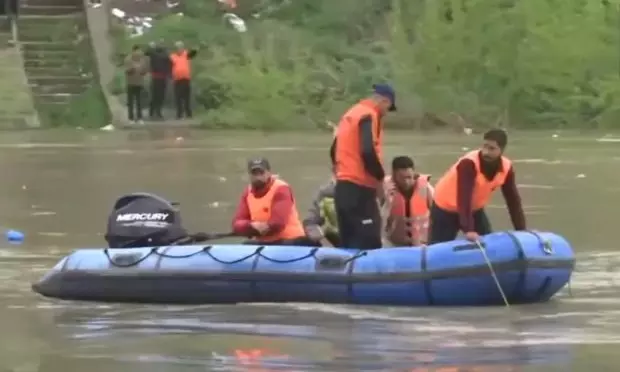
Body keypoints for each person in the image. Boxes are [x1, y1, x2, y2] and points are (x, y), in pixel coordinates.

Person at [429, 129, 527, 244]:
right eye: (485, 146)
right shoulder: (469, 164)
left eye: (492, 149)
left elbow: (513, 201)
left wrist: (521, 230)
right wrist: (469, 230)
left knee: (489, 244)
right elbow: (464, 197)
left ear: (502, 150)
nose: (486, 152)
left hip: (474, 210)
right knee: (437, 248)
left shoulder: (506, 167)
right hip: (445, 209)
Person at [330, 83, 396, 249]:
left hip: (343, 188)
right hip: (360, 190)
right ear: (385, 101)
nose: (386, 113)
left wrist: (338, 171)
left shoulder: (350, 114)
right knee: (370, 241)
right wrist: (380, 179)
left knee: (348, 241)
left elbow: (333, 149)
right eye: (388, 108)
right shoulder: (369, 115)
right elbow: (368, 151)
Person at [231, 158, 310, 246]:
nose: (258, 177)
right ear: (249, 175)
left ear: (269, 173)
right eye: (254, 173)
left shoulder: (281, 189)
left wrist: (261, 228)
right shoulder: (247, 193)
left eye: (261, 173)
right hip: (266, 243)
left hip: (291, 241)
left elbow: (278, 224)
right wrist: (251, 226)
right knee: (246, 245)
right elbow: (237, 224)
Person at [383, 156, 434, 246]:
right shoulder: (384, 189)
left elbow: (439, 215)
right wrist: (387, 203)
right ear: (393, 175)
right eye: (402, 178)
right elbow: (378, 224)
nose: (406, 182)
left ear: (414, 173)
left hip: (422, 244)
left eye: (409, 177)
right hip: (395, 245)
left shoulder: (426, 188)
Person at [303, 168, 339, 247]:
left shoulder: (367, 189)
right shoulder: (325, 193)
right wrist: (320, 238)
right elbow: (310, 221)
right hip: (337, 238)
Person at [145, 39, 171, 120]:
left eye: (162, 44)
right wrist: (151, 47)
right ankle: (152, 112)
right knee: (154, 96)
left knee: (161, 96)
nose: (161, 45)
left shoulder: (165, 54)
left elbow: (169, 63)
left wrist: (169, 74)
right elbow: (146, 53)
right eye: (160, 44)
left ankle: (158, 112)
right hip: (155, 78)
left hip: (163, 78)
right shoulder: (153, 53)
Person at [170, 41, 197, 119]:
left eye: (181, 47)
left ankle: (188, 114)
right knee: (178, 98)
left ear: (183, 48)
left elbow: (194, 53)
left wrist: (196, 48)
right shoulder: (172, 56)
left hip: (185, 79)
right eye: (178, 47)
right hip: (177, 80)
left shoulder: (186, 55)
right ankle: (179, 114)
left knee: (186, 98)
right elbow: (168, 64)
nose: (179, 49)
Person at [124, 45, 148, 124]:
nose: (140, 53)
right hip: (131, 83)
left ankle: (139, 118)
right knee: (130, 102)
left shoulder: (142, 60)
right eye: (138, 51)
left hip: (139, 83)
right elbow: (127, 71)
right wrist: (133, 68)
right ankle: (130, 118)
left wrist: (143, 71)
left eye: (140, 51)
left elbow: (144, 71)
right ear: (134, 51)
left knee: (139, 102)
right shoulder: (128, 59)